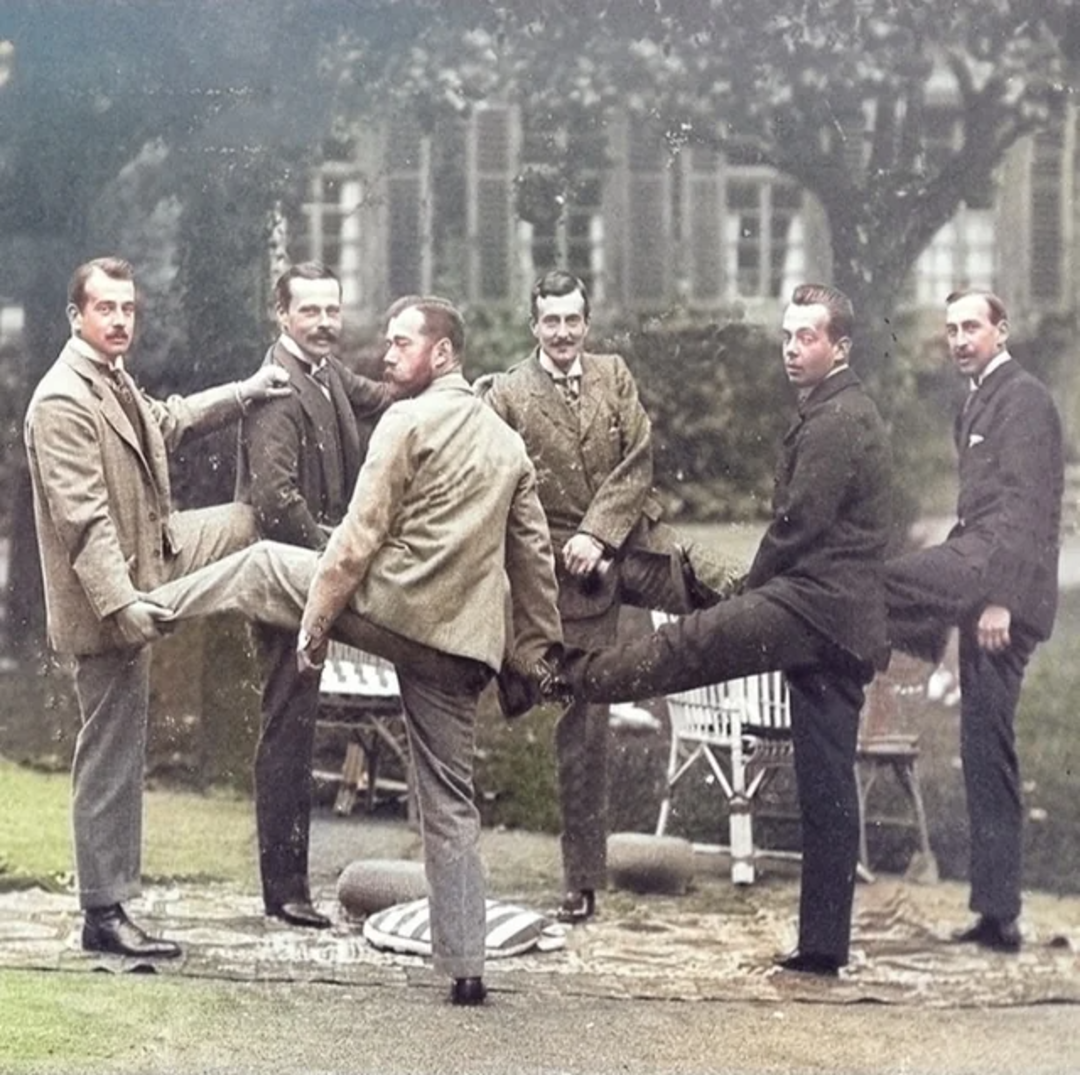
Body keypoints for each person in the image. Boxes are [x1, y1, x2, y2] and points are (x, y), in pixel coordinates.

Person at [140, 295, 563, 1005]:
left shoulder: (405, 419)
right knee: (452, 803)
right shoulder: (507, 443)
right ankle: (466, 967)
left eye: (402, 344)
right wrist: (535, 656)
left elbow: (354, 542)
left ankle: (145, 610)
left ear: (445, 353)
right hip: (462, 650)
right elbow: (535, 565)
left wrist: (314, 626)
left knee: (264, 564)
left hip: (392, 611)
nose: (387, 355)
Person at [549, 283, 892, 977]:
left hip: (810, 606)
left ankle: (569, 674)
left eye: (808, 337)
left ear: (841, 346)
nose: (792, 349)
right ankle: (824, 947)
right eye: (788, 335)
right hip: (841, 622)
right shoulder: (839, 408)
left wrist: (754, 589)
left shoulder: (836, 419)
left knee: (688, 645)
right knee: (827, 784)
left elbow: (798, 526)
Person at [23, 256, 290, 959]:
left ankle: (304, 613)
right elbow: (83, 524)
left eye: (128, 308)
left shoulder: (109, 379)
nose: (119, 320)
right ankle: (102, 912)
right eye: (105, 308)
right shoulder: (61, 400)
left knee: (248, 522)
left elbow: (165, 422)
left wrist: (249, 390)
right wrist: (124, 610)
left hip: (159, 554)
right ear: (75, 315)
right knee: (110, 753)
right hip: (109, 600)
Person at [481, 269, 729, 925]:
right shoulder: (507, 395)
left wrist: (601, 532)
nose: (563, 333)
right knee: (583, 723)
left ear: (586, 324)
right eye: (551, 321)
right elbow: (503, 486)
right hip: (564, 573)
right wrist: (568, 543)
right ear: (533, 325)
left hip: (629, 544)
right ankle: (581, 879)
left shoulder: (613, 374)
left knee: (725, 589)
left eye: (573, 320)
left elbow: (638, 458)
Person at [885, 290, 1063, 954]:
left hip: (1005, 603)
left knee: (990, 752)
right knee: (982, 754)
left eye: (971, 327)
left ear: (1001, 330)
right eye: (952, 329)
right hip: (981, 595)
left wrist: (999, 602)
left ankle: (1002, 914)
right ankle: (996, 912)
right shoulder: (978, 399)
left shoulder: (1023, 399)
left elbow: (1027, 510)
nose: (959, 339)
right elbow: (977, 522)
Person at [235, 262, 394, 930]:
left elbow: (379, 395)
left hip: (315, 576)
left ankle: (292, 885)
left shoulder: (327, 372)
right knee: (288, 728)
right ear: (283, 315)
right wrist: (337, 560)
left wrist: (448, 386)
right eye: (310, 311)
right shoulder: (277, 387)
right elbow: (275, 500)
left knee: (298, 725)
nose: (325, 321)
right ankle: (285, 889)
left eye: (333, 309)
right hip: (285, 579)